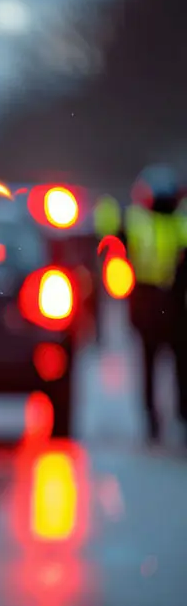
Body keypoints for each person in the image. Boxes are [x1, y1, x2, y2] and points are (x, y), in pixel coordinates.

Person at [121, 164, 187, 441]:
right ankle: (152, 419)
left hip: (173, 302)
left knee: (179, 365)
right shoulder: (136, 221)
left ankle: (180, 416)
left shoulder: (179, 222)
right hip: (148, 301)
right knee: (151, 364)